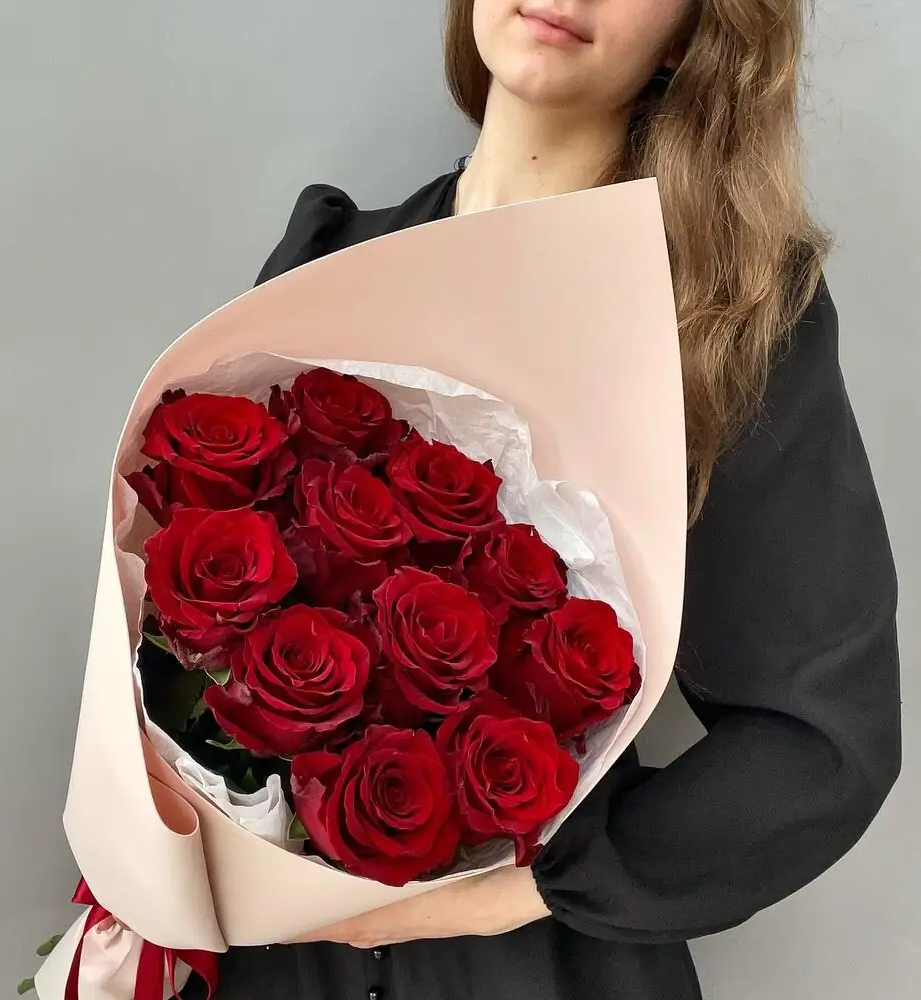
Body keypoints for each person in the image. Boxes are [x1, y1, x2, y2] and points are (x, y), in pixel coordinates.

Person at [193, 2, 902, 998]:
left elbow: (822, 741)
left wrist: (505, 893)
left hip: (533, 971)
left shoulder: (725, 319)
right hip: (276, 960)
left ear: (691, 28)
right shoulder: (325, 261)